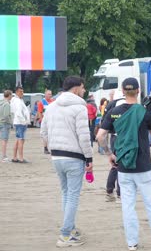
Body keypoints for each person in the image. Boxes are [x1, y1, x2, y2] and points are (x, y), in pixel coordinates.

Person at [96, 78, 151, 250]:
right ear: (138, 91)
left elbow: (100, 136)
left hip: (124, 166)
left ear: (122, 90)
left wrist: (109, 154)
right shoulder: (144, 111)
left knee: (128, 206)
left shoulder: (114, 111)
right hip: (144, 166)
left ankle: (132, 243)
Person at [40, 76, 93, 247]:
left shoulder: (52, 106)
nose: (84, 91)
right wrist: (89, 157)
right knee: (72, 196)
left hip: (56, 156)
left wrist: (51, 147)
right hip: (74, 157)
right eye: (83, 88)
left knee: (65, 194)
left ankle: (69, 229)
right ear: (76, 88)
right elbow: (84, 137)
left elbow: (43, 132)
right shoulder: (79, 108)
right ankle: (65, 234)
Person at [10, 86, 30, 163]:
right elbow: (18, 113)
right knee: (21, 140)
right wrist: (24, 121)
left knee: (18, 140)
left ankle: (15, 157)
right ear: (17, 92)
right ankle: (21, 158)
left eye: (22, 91)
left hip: (19, 122)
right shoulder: (17, 101)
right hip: (20, 123)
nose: (22, 93)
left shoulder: (17, 100)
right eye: (21, 91)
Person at [38, 90, 54, 154]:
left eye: (50, 94)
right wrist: (41, 120)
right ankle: (45, 147)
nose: (50, 95)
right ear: (45, 95)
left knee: (52, 134)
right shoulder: (41, 102)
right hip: (45, 120)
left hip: (52, 120)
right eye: (48, 94)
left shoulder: (53, 101)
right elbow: (39, 112)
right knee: (44, 135)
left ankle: (52, 147)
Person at [0, 90, 13, 162]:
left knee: (1, 140)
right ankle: (4, 157)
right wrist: (10, 122)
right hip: (5, 124)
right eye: (11, 95)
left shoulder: (1, 103)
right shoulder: (7, 104)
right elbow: (6, 115)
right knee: (4, 140)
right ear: (9, 95)